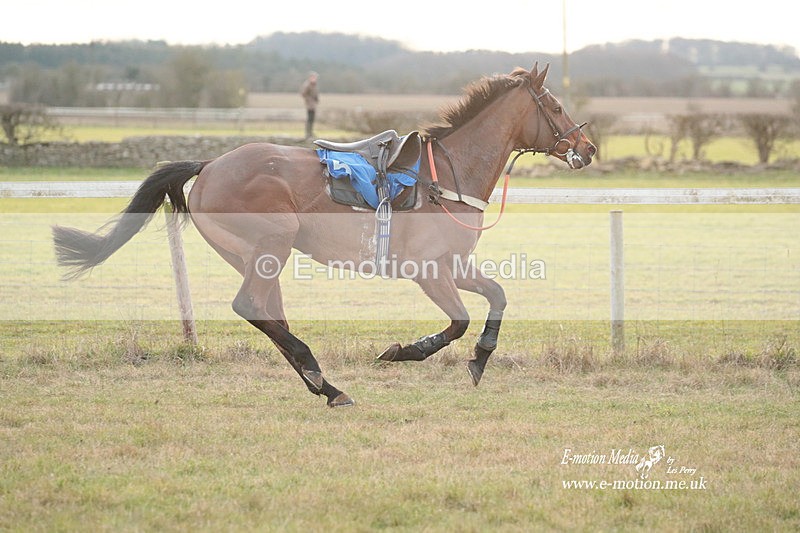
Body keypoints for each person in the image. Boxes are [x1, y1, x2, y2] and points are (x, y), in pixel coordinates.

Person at [300, 71, 319, 140]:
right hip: (310, 105)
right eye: (314, 77)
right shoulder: (307, 85)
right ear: (311, 77)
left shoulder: (313, 84)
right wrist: (309, 100)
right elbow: (303, 94)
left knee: (312, 119)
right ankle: (308, 134)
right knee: (309, 119)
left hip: (313, 104)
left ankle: (310, 133)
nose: (315, 78)